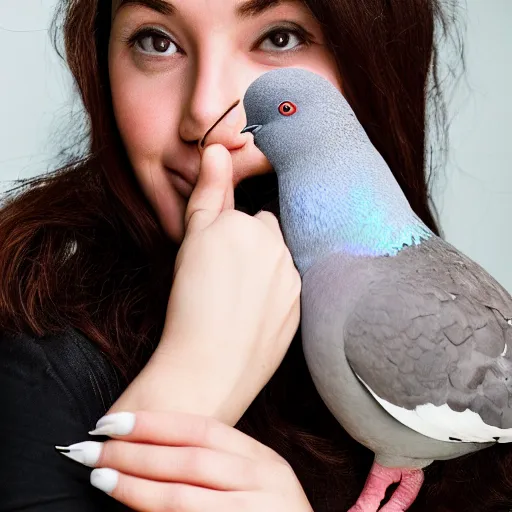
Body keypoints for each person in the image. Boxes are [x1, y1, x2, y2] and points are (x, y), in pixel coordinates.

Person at [1, 0, 511, 510]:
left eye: (280, 38)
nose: (206, 113)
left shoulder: (448, 330)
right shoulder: (28, 363)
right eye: (157, 41)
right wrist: (190, 379)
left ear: (371, 66)